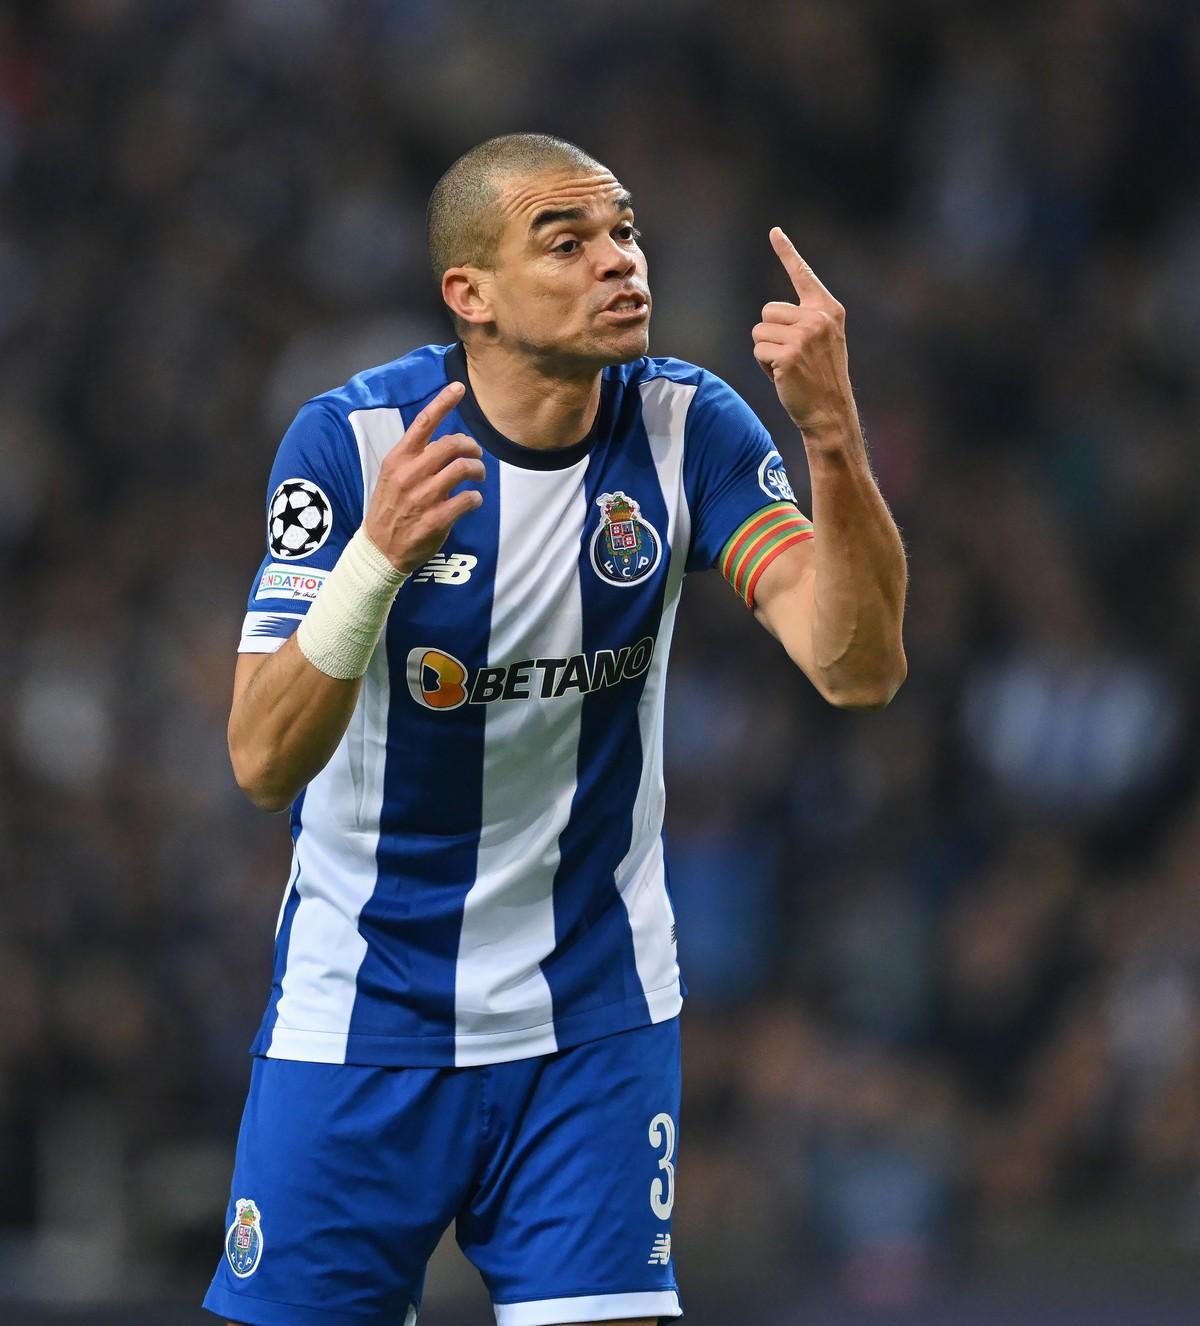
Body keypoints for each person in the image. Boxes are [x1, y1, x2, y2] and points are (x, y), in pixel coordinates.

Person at [203, 133, 907, 1326]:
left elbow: (858, 669)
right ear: (470, 294)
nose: (619, 261)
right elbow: (262, 761)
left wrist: (832, 437)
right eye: (566, 242)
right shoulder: (356, 443)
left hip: (591, 1023)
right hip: (361, 1021)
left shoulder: (688, 426)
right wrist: (373, 561)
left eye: (623, 231)